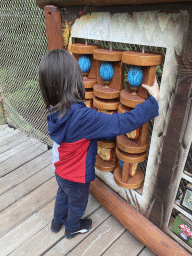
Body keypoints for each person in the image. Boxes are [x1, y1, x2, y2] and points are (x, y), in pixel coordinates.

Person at [39, 49, 160, 239]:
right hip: (77, 177)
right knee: (78, 203)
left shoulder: (54, 110)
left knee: (62, 194)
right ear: (74, 81)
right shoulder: (82, 117)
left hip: (60, 170)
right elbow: (121, 123)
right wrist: (152, 102)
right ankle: (72, 228)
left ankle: (56, 222)